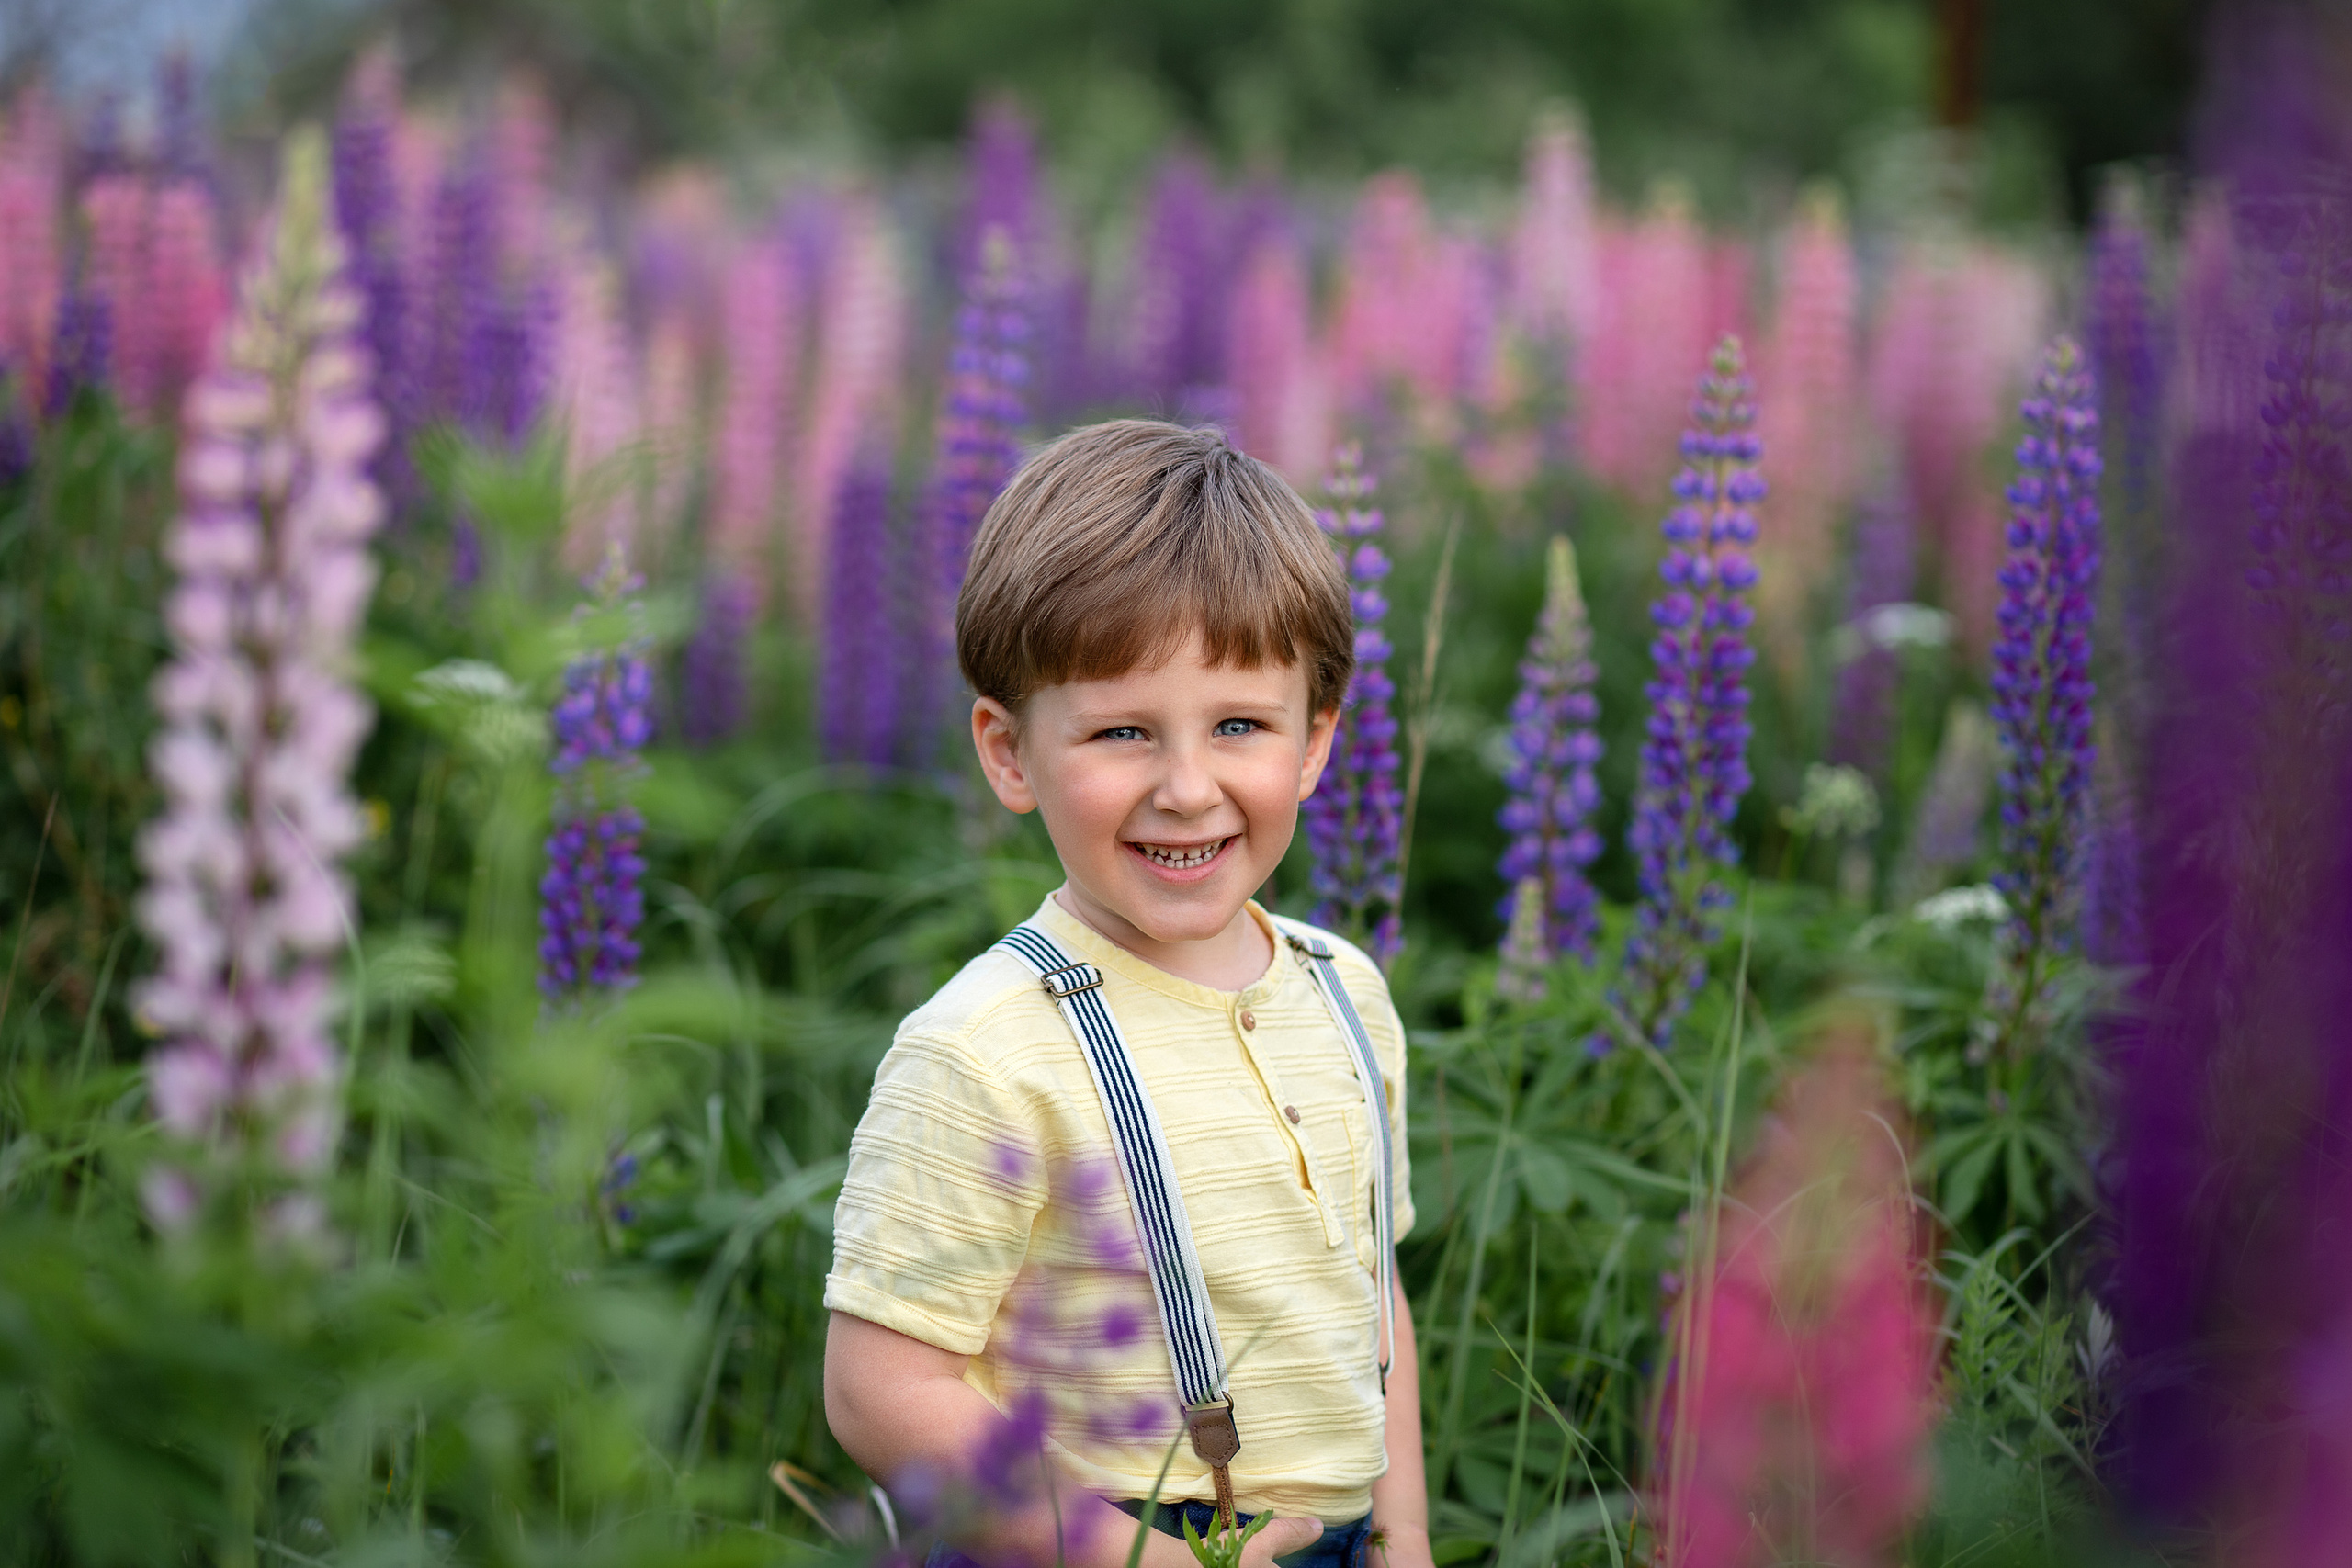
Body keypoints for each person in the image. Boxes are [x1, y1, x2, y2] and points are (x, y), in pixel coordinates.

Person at [823, 421, 1430, 1568]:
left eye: (1239, 725)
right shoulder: (986, 1046)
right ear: (1009, 754)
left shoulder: (1345, 993)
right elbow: (880, 1389)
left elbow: (1367, 1296)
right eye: (1122, 733)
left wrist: (1404, 1533)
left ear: (1314, 743)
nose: (1187, 788)